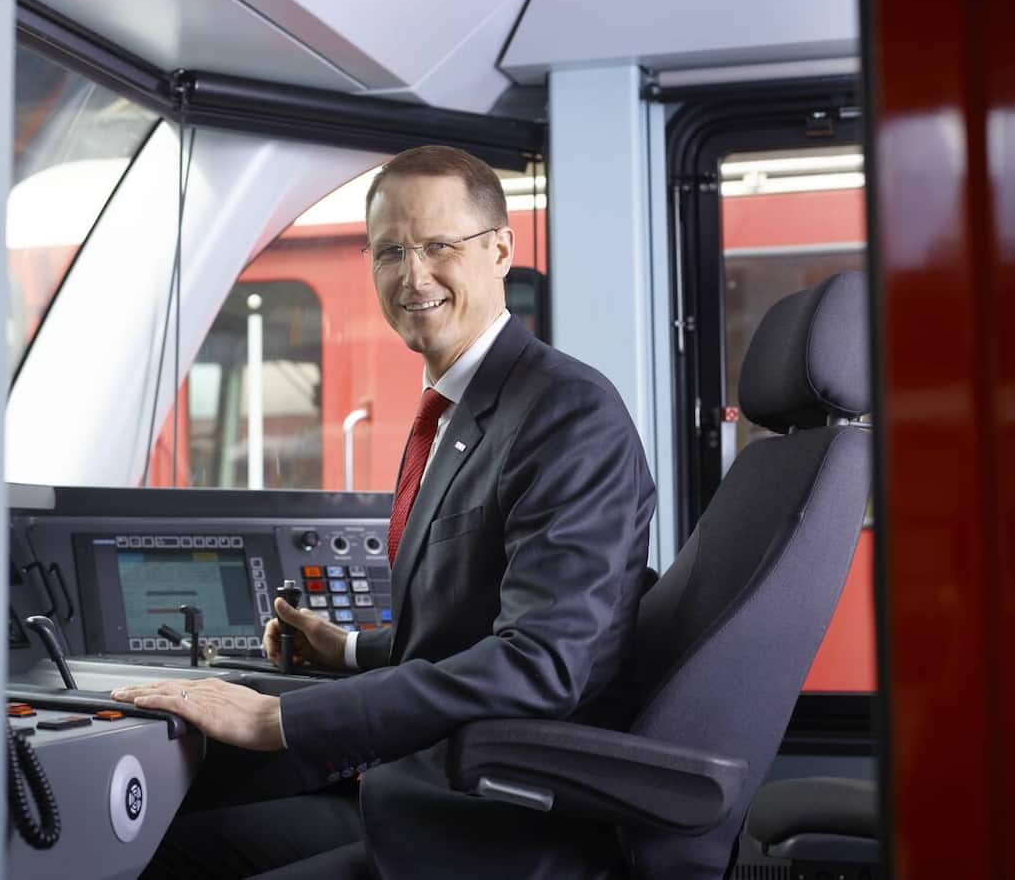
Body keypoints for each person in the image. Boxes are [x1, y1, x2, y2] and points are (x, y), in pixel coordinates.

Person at [115, 146, 656, 879]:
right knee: (159, 849)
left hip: (487, 823)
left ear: (500, 250)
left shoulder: (565, 412)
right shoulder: (460, 405)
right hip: (420, 783)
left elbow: (541, 662)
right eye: (389, 251)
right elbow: (466, 625)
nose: (412, 276)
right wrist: (341, 649)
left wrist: (279, 719)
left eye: (438, 246)